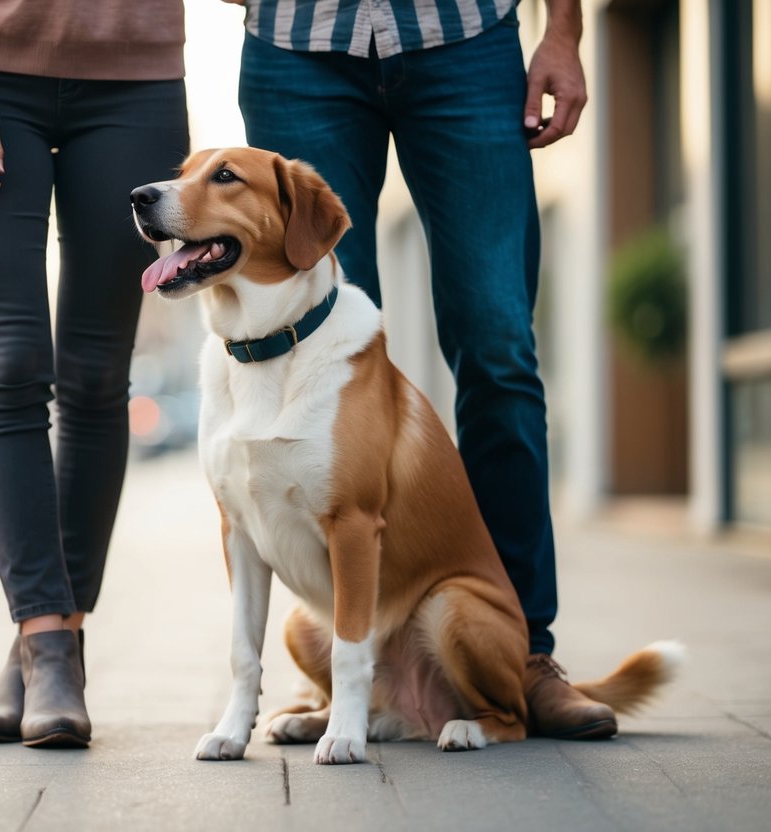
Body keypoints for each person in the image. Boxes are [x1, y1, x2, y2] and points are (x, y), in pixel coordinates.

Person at [227, 0, 615, 739]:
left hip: (463, 39)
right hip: (297, 47)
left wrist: (560, 32)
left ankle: (524, 654)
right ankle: (365, 673)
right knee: (316, 339)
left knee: (497, 343)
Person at [0, 0, 190, 748]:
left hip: (138, 88)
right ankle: (47, 643)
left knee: (97, 374)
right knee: (7, 362)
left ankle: (46, 646)